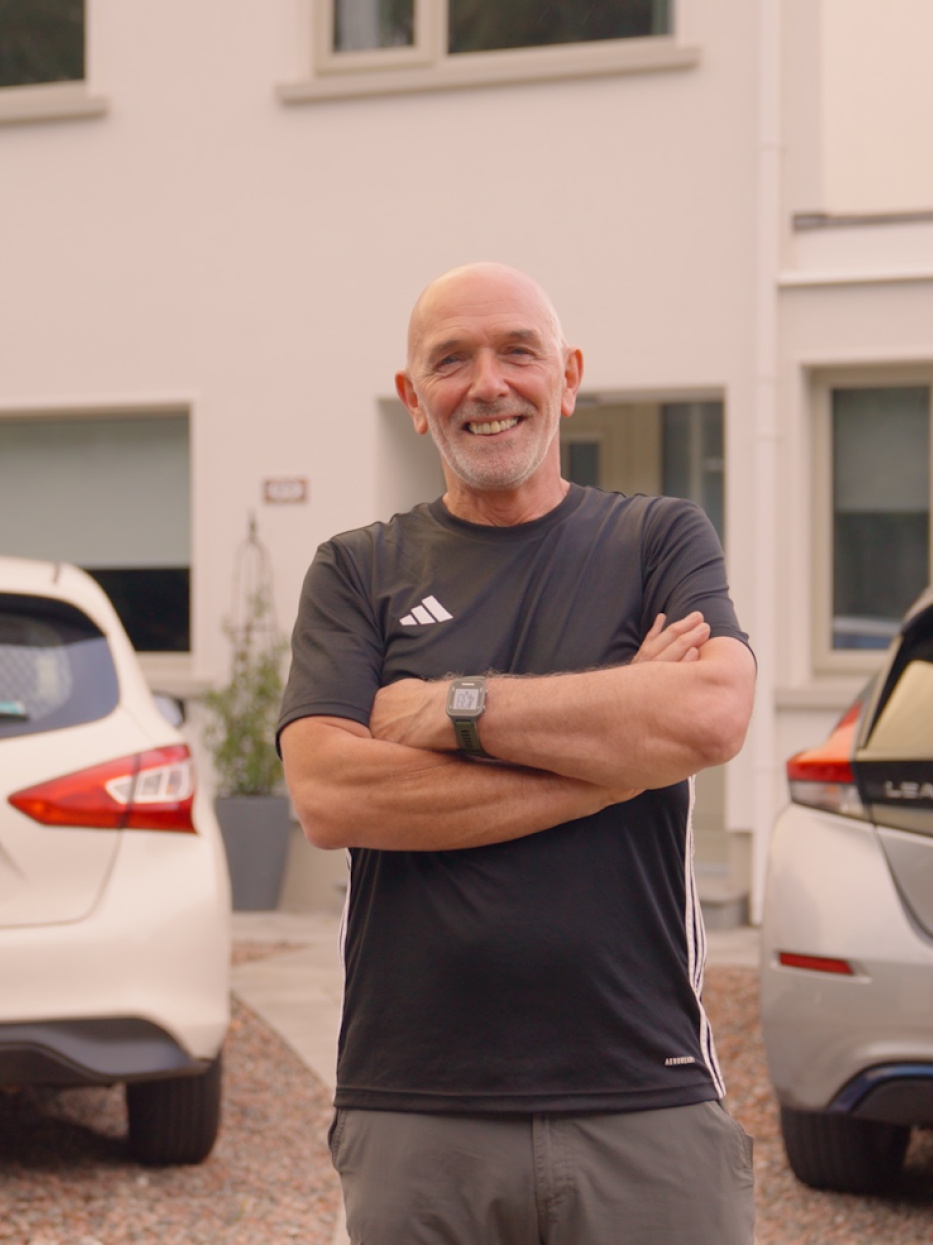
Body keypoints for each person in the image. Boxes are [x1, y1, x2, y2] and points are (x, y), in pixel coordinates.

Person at [277, 261, 756, 1244]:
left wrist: (449, 708)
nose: (488, 384)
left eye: (518, 353)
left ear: (568, 375)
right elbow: (330, 793)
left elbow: (707, 718)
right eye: (451, 360)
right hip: (415, 1106)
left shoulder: (658, 540)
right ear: (414, 399)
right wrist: (617, 756)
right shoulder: (356, 569)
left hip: (645, 1094)